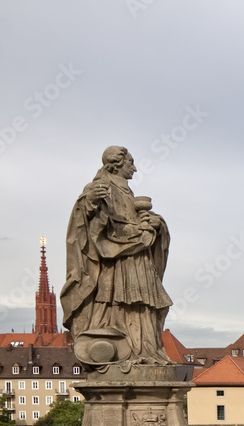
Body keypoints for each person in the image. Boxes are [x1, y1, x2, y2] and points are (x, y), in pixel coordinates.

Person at [61, 146, 173, 365]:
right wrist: (90, 203)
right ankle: (125, 349)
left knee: (146, 304)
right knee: (120, 302)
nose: (135, 168)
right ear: (116, 164)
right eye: (131, 163)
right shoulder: (100, 187)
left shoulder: (128, 192)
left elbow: (138, 221)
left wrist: (156, 225)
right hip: (117, 258)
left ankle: (147, 350)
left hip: (137, 255)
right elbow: (84, 220)